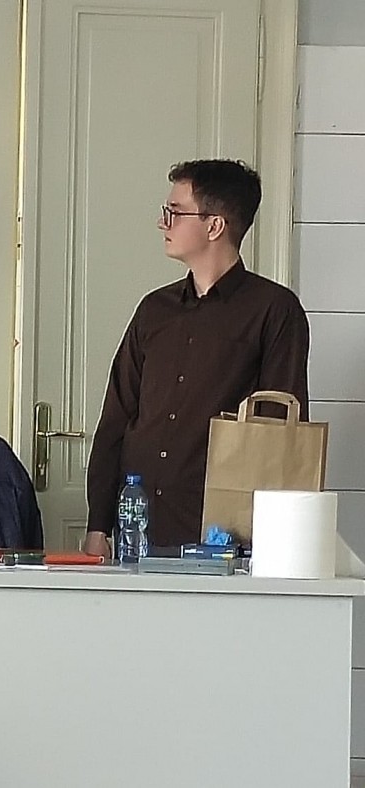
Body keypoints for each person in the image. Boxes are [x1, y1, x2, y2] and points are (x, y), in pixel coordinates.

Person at [84, 159, 309, 557]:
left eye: (175, 211)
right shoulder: (154, 309)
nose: (163, 223)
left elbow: (279, 432)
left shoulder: (274, 310)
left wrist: (271, 541)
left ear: (214, 225)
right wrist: (98, 524)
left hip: (225, 537)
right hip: (139, 530)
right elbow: (117, 417)